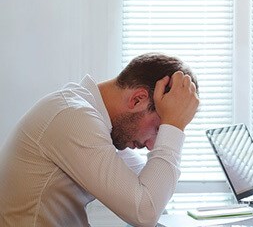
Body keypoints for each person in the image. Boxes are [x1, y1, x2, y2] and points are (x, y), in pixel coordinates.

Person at [0, 52, 200, 227]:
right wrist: (173, 127)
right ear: (137, 99)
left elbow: (153, 191)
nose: (151, 147)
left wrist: (173, 126)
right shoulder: (73, 116)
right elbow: (145, 211)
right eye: (158, 129)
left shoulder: (97, 123)